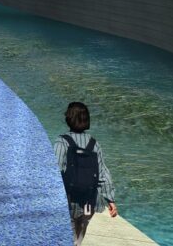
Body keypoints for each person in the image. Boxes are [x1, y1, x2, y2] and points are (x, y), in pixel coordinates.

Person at [53, 102, 118, 246]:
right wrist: (111, 200)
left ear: (68, 118)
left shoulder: (62, 142)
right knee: (78, 237)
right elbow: (103, 173)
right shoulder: (94, 144)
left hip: (68, 201)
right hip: (89, 202)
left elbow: (54, 170)